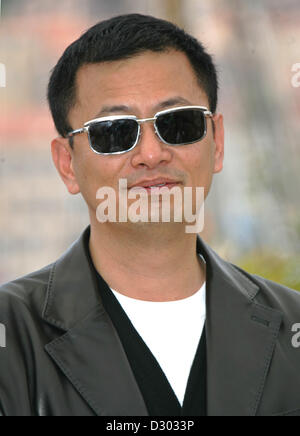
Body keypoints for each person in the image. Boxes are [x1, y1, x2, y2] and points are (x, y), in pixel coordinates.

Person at [0, 13, 300, 417]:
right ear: (67, 164)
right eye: (114, 131)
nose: (151, 154)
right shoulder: (11, 336)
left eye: (178, 123)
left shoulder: (291, 325)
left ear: (218, 142)